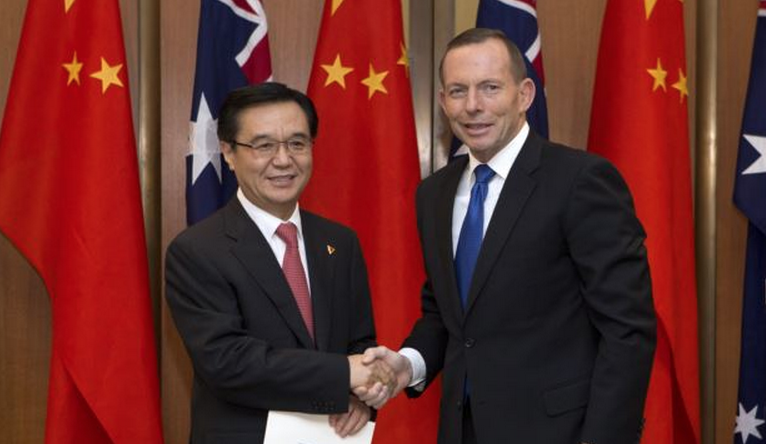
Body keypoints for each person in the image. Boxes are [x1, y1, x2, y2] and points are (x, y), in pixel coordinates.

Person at [356, 28, 657, 444]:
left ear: (525, 95)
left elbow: (627, 330)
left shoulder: (580, 181)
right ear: (443, 102)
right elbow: (448, 316)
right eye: (458, 91)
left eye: (490, 88)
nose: (473, 106)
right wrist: (407, 365)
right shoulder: (433, 195)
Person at [165, 82, 392, 443]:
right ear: (228, 152)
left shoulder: (340, 242)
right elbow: (227, 362)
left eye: (297, 143)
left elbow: (359, 343)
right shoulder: (196, 251)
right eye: (264, 145)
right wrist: (342, 375)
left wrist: (361, 397)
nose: (284, 160)